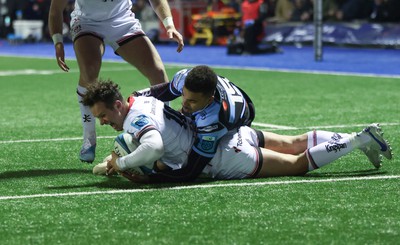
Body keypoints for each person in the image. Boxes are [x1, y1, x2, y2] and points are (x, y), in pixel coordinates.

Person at [83, 80, 392, 183]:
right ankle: (360, 140)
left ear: (119, 104)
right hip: (222, 135)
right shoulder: (142, 98)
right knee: (295, 141)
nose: (103, 121)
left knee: (297, 164)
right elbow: (159, 91)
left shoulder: (135, 120)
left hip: (222, 156)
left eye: (104, 115)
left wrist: (123, 163)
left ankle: (359, 139)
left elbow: (152, 148)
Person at [48, 0, 184, 163]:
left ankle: (166, 130)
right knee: (89, 73)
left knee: (158, 72)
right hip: (87, 23)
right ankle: (89, 139)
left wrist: (169, 24)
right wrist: (58, 42)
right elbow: (56, 9)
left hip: (122, 21)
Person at [131, 65, 255, 182]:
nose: (184, 102)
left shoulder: (214, 122)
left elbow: (191, 171)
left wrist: (151, 178)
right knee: (184, 115)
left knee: (176, 160)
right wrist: (136, 96)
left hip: (241, 118)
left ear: (209, 99)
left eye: (192, 101)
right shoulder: (184, 78)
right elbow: (166, 91)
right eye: (183, 95)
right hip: (219, 99)